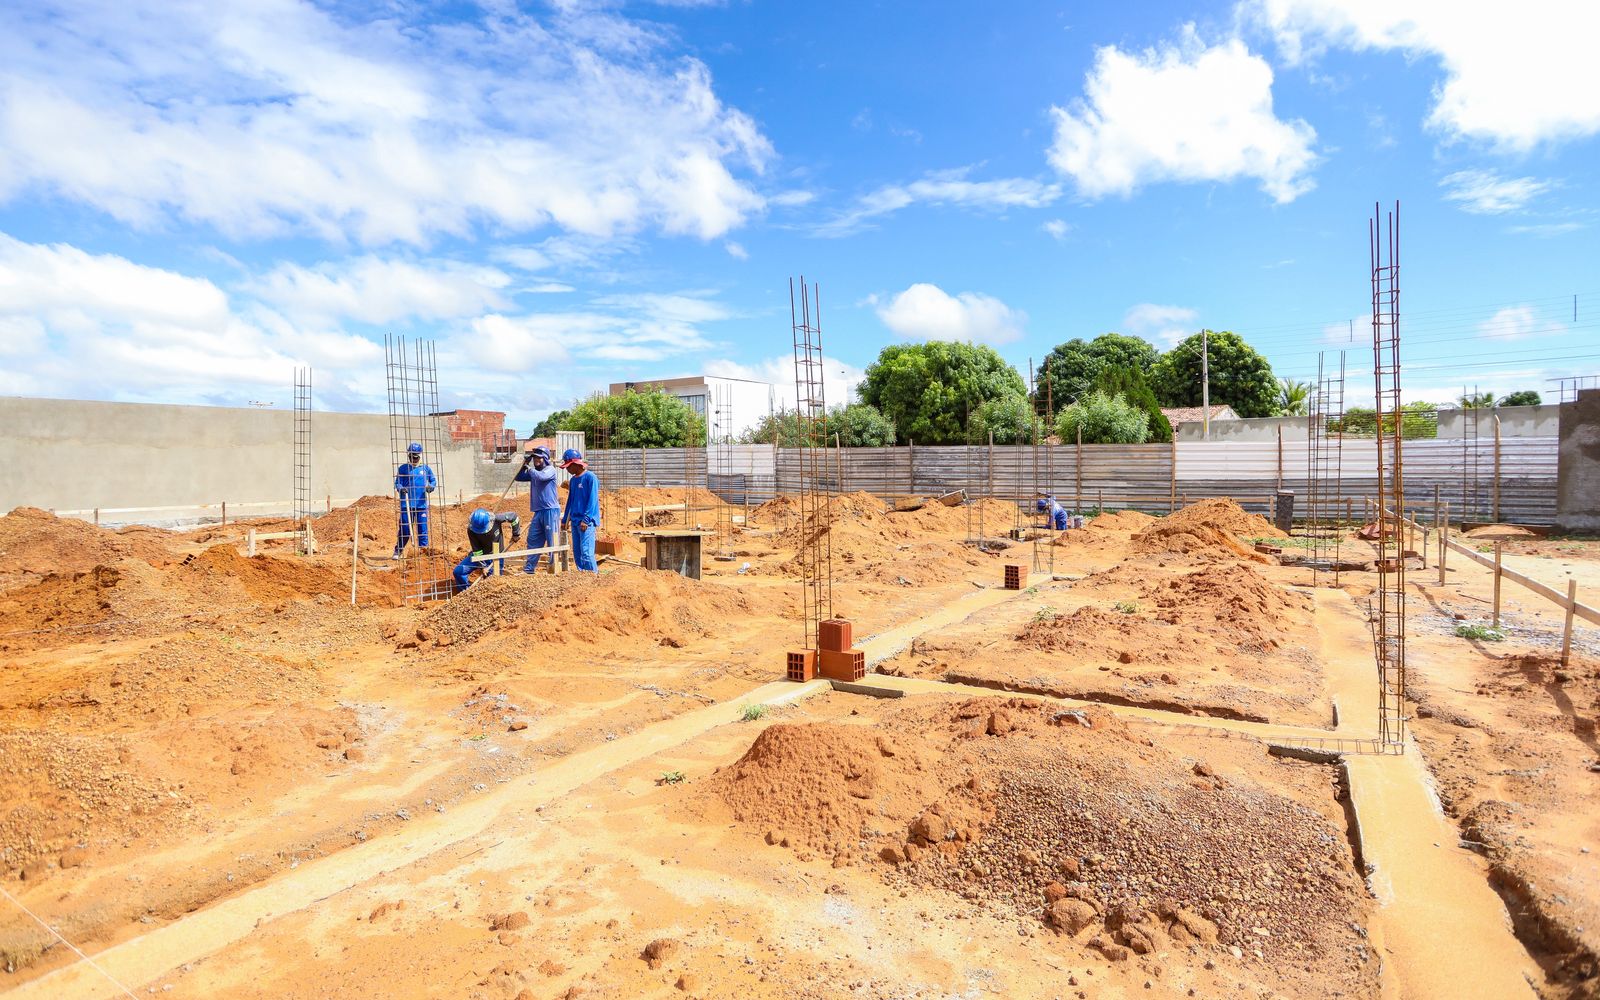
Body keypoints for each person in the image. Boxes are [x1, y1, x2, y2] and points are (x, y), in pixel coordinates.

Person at [513, 445, 561, 574]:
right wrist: (524, 465)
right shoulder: (533, 473)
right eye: (534, 458)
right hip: (538, 511)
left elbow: (541, 477)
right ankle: (529, 569)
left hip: (550, 510)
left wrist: (529, 469)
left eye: (539, 458)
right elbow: (518, 477)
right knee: (533, 539)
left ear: (545, 459)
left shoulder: (550, 470)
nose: (536, 460)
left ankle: (554, 568)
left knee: (552, 540)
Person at [453, 507, 521, 592]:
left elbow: (514, 517)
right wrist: (483, 566)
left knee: (493, 582)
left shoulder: (496, 519)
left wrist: (516, 534)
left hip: (496, 556)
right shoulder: (471, 529)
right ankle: (466, 593)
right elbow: (476, 549)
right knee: (458, 572)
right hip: (480, 555)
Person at [558, 448, 600, 573]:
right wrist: (565, 520)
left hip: (586, 522)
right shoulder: (573, 480)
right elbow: (570, 501)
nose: (567, 469)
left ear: (576, 464)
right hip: (575, 521)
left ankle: (593, 577)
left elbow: (592, 500)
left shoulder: (590, 478)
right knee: (577, 553)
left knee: (586, 552)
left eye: (569, 466)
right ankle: (582, 577)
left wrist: (586, 519)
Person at [394, 442, 437, 557]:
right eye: (411, 457)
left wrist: (431, 487)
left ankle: (423, 552)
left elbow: (433, 480)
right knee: (405, 529)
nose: (413, 459)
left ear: (419, 456)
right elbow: (397, 483)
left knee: (422, 529)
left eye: (416, 457)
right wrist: (401, 488)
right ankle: (398, 550)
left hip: (421, 504)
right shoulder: (403, 469)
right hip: (407, 504)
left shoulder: (425, 468)